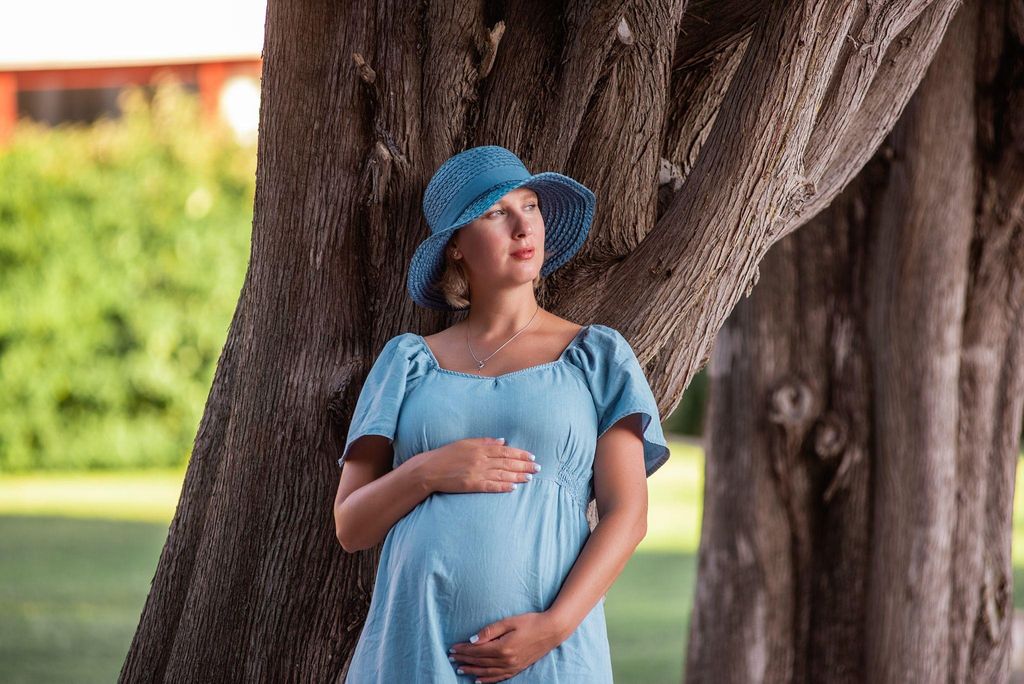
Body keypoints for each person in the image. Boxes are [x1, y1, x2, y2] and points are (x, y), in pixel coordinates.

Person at [333, 145, 671, 683]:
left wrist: (553, 627)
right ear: (456, 249)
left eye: (530, 206)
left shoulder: (594, 356)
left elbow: (628, 514)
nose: (522, 226)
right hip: (413, 644)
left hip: (546, 650)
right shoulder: (408, 362)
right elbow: (351, 525)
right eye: (496, 213)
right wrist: (428, 471)